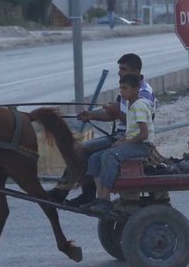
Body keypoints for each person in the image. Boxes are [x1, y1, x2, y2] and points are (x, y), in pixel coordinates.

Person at [51, 52, 155, 206]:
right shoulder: (128, 89)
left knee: (83, 150)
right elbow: (112, 114)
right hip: (122, 135)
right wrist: (91, 115)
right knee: (85, 150)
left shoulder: (142, 93)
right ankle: (88, 195)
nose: (119, 72)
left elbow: (137, 123)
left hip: (129, 137)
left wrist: (115, 112)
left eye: (123, 69)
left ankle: (69, 192)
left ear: (135, 72)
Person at [83, 73, 153, 214]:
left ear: (135, 89)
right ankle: (101, 197)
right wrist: (121, 141)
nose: (121, 91)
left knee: (109, 156)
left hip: (142, 146)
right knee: (94, 158)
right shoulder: (130, 105)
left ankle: (105, 201)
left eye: (124, 88)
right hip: (132, 143)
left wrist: (124, 144)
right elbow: (131, 131)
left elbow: (144, 134)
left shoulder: (139, 106)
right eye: (120, 87)